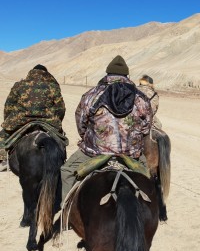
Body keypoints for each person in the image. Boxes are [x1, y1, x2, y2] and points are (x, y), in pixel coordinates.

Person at [60, 55, 153, 201]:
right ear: (127, 75)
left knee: (67, 171)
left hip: (95, 152)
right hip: (131, 154)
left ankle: (64, 211)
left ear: (108, 73)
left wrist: (88, 138)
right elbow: (146, 128)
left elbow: (81, 122)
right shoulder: (141, 97)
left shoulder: (92, 94)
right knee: (148, 176)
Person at [0, 64, 66, 171]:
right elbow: (60, 108)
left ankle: (2, 161)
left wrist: (8, 122)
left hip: (21, 120)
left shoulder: (19, 85)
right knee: (61, 138)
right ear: (46, 74)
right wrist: (57, 121)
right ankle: (62, 160)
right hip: (48, 120)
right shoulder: (53, 86)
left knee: (3, 135)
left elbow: (9, 106)